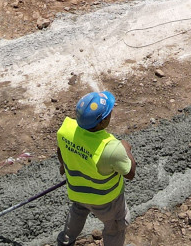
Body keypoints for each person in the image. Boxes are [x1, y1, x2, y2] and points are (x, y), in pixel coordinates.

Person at [56, 90, 137, 246]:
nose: (111, 113)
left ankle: (64, 241)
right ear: (101, 122)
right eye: (109, 113)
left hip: (77, 191)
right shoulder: (111, 148)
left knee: (78, 211)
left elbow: (61, 151)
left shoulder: (66, 129)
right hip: (106, 201)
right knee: (115, 227)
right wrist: (126, 148)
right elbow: (130, 173)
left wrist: (63, 165)